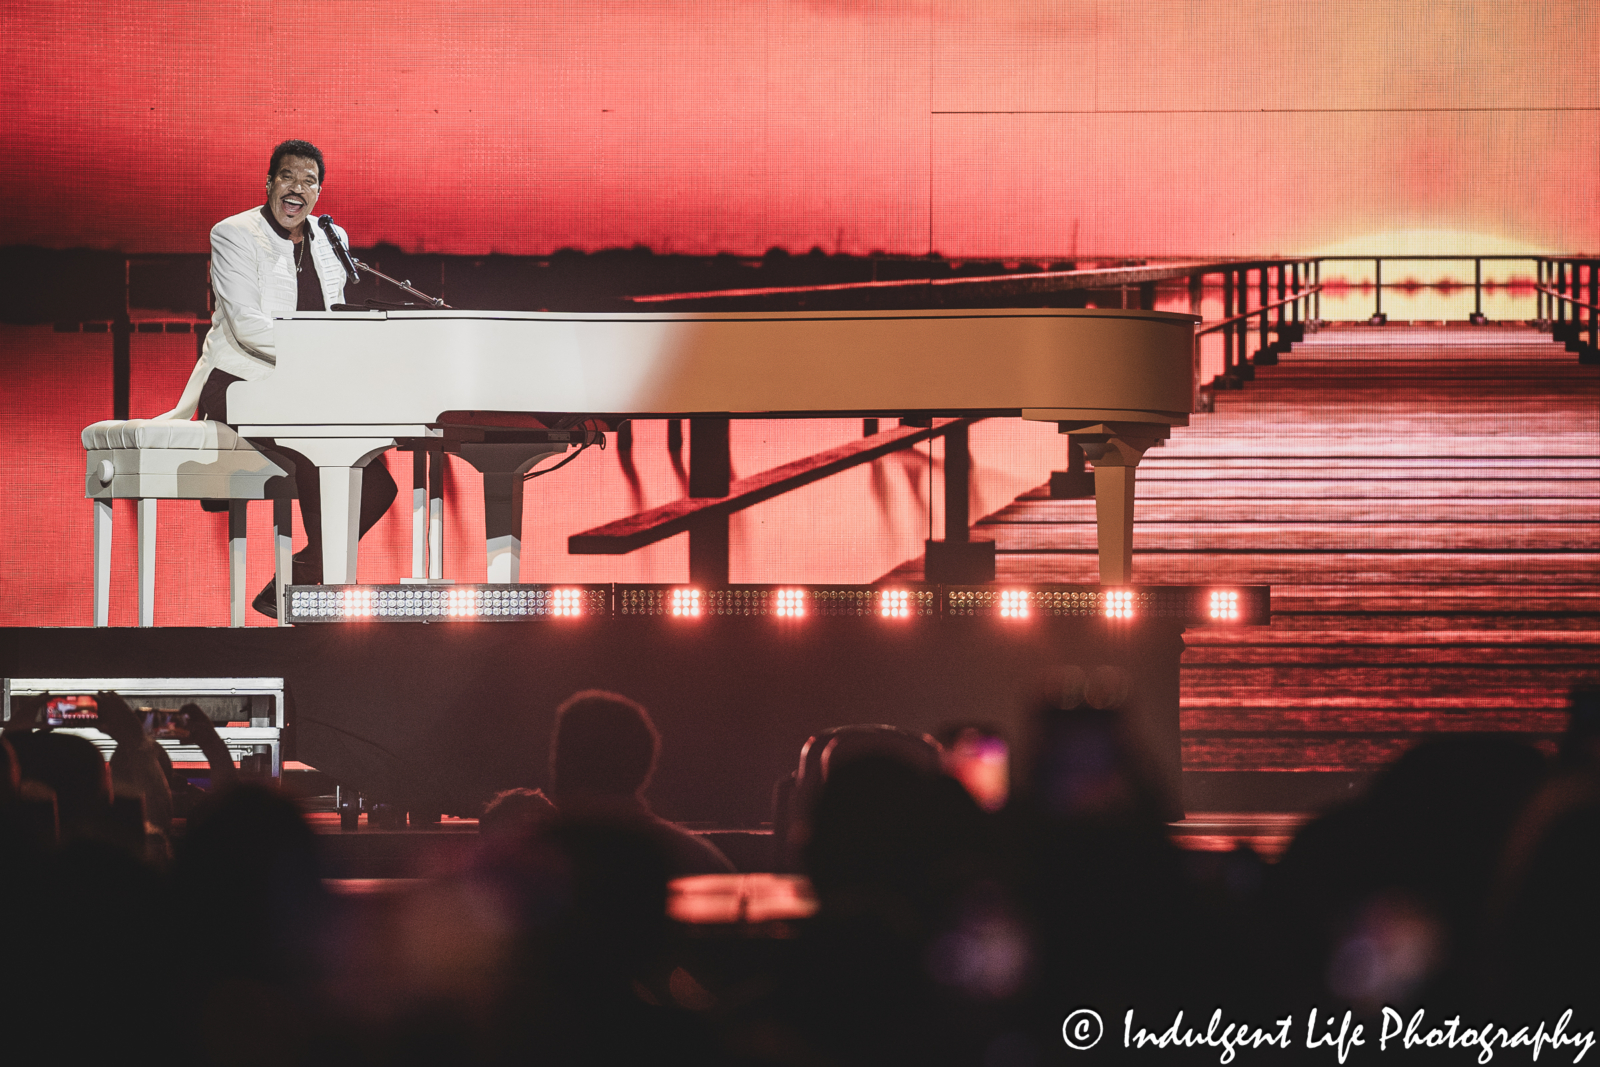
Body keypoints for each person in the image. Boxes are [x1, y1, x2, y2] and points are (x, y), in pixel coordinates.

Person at [160, 139, 396, 616]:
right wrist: (314, 358)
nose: (298, 189)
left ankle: (303, 575)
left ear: (318, 193)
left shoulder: (332, 238)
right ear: (269, 183)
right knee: (316, 443)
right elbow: (246, 325)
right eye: (288, 177)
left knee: (380, 487)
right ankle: (319, 598)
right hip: (238, 379)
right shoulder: (233, 233)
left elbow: (338, 314)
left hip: (308, 387)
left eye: (309, 182)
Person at [548, 690, 734, 877]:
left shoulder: (530, 862)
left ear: (565, 762)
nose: (553, 763)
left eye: (561, 751)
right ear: (643, 764)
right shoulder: (698, 860)